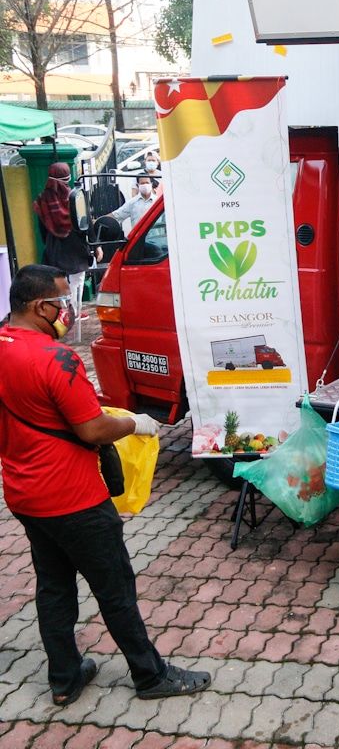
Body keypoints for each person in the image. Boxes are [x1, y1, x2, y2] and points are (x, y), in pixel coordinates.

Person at [0, 265, 212, 704]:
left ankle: (65, 678)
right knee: (115, 587)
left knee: (53, 585)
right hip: (73, 497)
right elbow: (92, 430)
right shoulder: (55, 358)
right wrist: (134, 422)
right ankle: (151, 676)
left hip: (24, 493)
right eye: (64, 301)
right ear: (42, 307)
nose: (70, 311)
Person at [33, 163, 93, 320]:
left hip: (55, 243)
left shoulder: (42, 198)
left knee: (59, 279)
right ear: (67, 177)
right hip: (75, 243)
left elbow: (42, 227)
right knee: (77, 279)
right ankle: (76, 310)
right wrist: (93, 244)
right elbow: (84, 222)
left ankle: (65, 311)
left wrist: (48, 242)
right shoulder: (74, 196)